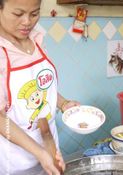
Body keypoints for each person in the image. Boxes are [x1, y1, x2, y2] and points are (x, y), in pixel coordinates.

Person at [0, 0, 80, 174]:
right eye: (18, 14)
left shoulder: (36, 40)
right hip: (14, 161)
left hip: (49, 146)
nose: (27, 21)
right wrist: (39, 152)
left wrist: (63, 103)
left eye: (34, 13)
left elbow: (40, 87)